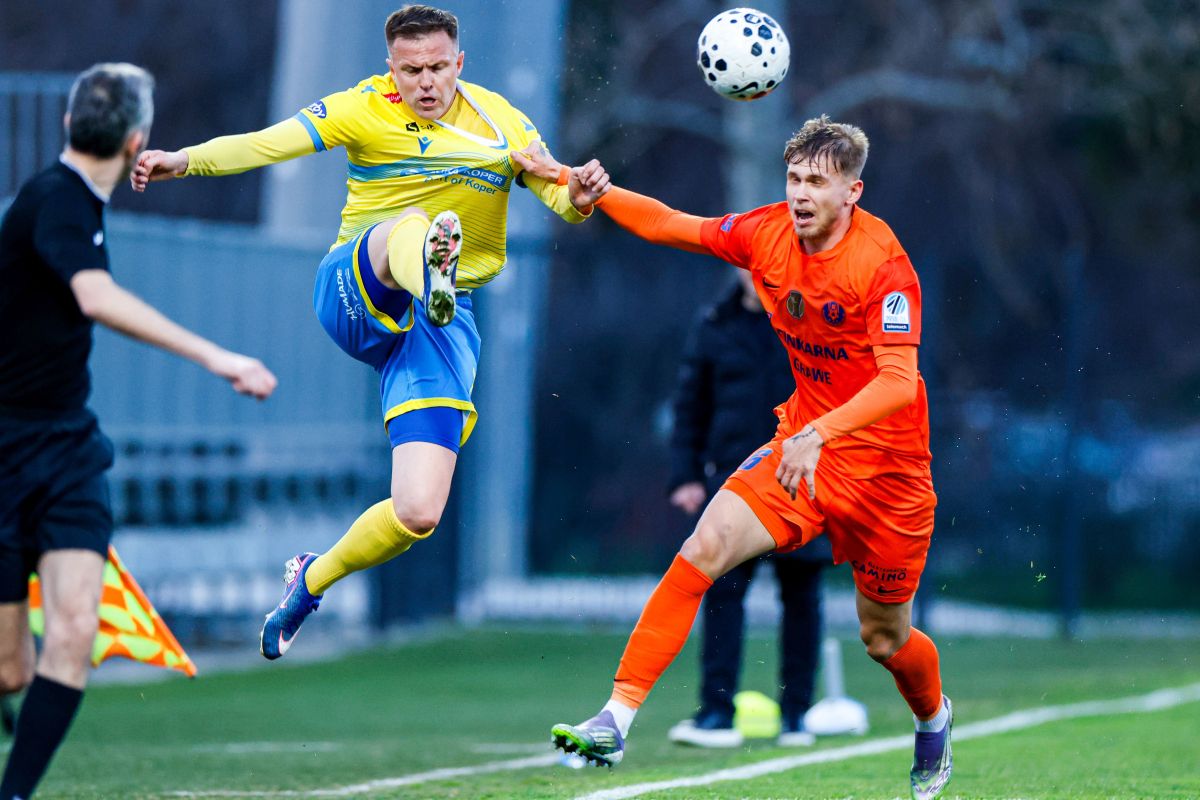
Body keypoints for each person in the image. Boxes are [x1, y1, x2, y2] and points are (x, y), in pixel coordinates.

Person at [131, 5, 609, 659]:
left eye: (437, 67)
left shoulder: (502, 121)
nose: (426, 83)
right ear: (391, 68)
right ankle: (430, 270)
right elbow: (268, 143)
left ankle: (309, 581)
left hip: (438, 327)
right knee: (410, 225)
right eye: (411, 71)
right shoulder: (363, 107)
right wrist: (183, 161)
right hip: (357, 287)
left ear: (459, 63)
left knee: (418, 511)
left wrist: (578, 195)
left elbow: (557, 193)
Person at [544, 116, 953, 800]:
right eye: (794, 178)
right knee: (702, 548)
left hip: (890, 477)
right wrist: (575, 182)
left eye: (817, 182)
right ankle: (616, 717)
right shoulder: (765, 233)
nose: (800, 193)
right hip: (802, 455)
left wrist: (822, 433)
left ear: (853, 192)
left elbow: (898, 382)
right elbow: (670, 224)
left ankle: (933, 717)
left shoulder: (884, 265)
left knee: (884, 639)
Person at [0, 63, 277, 800]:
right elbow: (94, 297)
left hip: (69, 452)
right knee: (11, 670)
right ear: (136, 140)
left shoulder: (74, 203)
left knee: (70, 634)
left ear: (70, 123)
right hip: (5, 453)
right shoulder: (55, 201)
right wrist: (217, 356)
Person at [666, 270, 828, 749]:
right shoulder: (714, 323)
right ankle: (717, 713)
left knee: (801, 595)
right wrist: (686, 475)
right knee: (722, 592)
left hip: (803, 480)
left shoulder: (810, 319)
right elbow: (690, 406)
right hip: (733, 483)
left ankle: (797, 714)